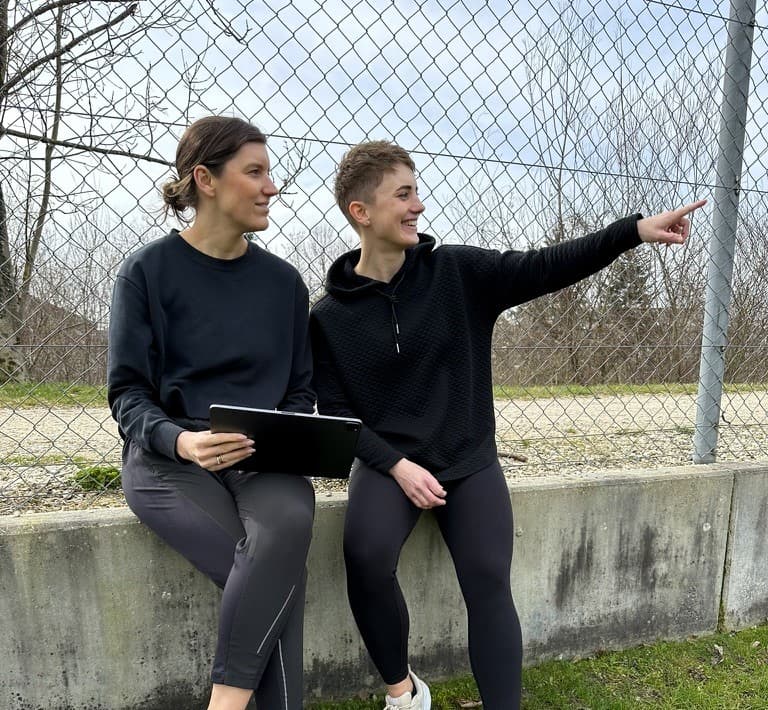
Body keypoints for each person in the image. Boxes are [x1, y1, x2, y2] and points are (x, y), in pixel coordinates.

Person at [309, 140, 706, 710]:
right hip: (390, 462)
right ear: (361, 212)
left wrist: (632, 231)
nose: (418, 205)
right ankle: (403, 693)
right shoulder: (329, 317)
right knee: (366, 560)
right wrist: (396, 466)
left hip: (467, 456)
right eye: (403, 194)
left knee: (488, 578)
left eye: (416, 190)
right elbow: (338, 413)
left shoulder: (458, 273)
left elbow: (545, 266)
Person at [108, 116, 316, 710]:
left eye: (268, 172)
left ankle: (223, 703)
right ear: (205, 179)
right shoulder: (147, 273)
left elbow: (299, 393)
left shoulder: (284, 285)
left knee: (283, 532)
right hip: (168, 461)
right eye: (255, 172)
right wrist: (181, 441)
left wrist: (280, 437)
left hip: (262, 456)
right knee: (275, 579)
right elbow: (127, 395)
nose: (270, 186)